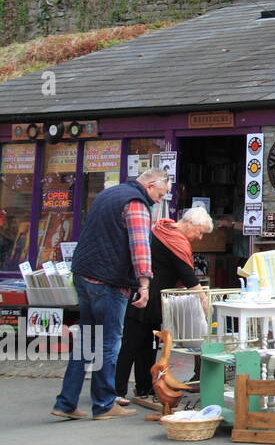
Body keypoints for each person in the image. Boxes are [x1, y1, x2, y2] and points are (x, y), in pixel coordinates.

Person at [51, 168, 169, 421]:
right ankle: (104, 404)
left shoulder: (109, 194)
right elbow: (140, 245)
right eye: (160, 194)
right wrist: (145, 284)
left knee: (87, 339)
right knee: (108, 342)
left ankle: (66, 402)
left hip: (84, 275)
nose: (159, 200)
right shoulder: (136, 203)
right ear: (150, 185)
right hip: (108, 281)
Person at [114, 206, 213, 409]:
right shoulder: (174, 241)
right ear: (189, 223)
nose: (200, 237)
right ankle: (116, 391)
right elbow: (186, 274)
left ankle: (144, 387)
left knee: (146, 346)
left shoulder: (162, 231)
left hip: (151, 296)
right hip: (145, 295)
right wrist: (204, 300)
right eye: (200, 231)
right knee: (131, 344)